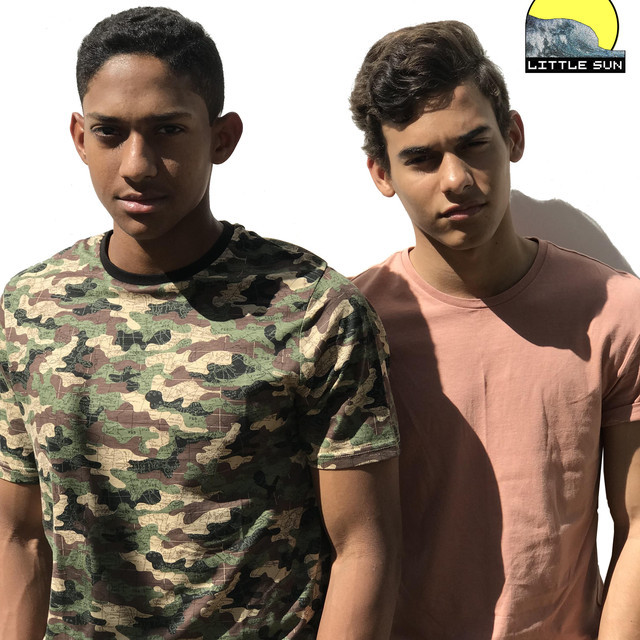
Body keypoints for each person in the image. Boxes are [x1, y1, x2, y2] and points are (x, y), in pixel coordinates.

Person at [0, 7, 401, 639]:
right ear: (79, 137)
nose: (137, 164)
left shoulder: (312, 309)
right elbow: (19, 535)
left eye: (167, 130)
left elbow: (365, 547)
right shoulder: (30, 307)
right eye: (109, 133)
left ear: (222, 138)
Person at [349, 20, 640, 640]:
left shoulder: (616, 312)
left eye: (474, 143)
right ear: (381, 173)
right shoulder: (351, 328)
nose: (456, 179)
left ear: (513, 136)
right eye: (421, 159)